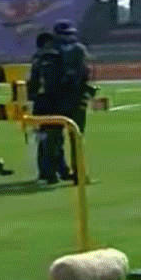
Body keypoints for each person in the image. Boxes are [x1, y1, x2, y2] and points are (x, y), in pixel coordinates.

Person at [52, 20, 93, 183]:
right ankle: (79, 173)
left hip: (55, 98)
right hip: (75, 97)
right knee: (76, 136)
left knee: (55, 138)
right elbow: (85, 72)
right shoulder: (79, 49)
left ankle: (58, 171)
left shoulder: (50, 50)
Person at [27, 31, 69, 184]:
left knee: (45, 139)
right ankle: (58, 170)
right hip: (56, 102)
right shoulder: (57, 57)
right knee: (56, 138)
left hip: (42, 103)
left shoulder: (38, 59)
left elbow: (33, 83)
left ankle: (48, 172)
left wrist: (30, 99)